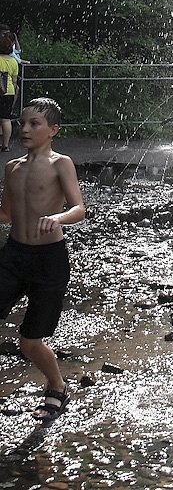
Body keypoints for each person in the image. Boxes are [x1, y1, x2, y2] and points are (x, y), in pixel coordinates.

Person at [0, 97, 86, 423]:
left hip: (48, 260)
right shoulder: (12, 167)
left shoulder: (60, 164)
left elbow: (79, 208)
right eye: (22, 123)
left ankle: (57, 385)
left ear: (52, 130)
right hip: (14, 254)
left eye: (34, 124)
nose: (24, 129)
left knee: (29, 342)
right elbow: (7, 214)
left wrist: (58, 218)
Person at [0, 31, 19, 151]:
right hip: (9, 92)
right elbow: (14, 80)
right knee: (6, 118)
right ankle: (5, 145)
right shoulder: (13, 62)